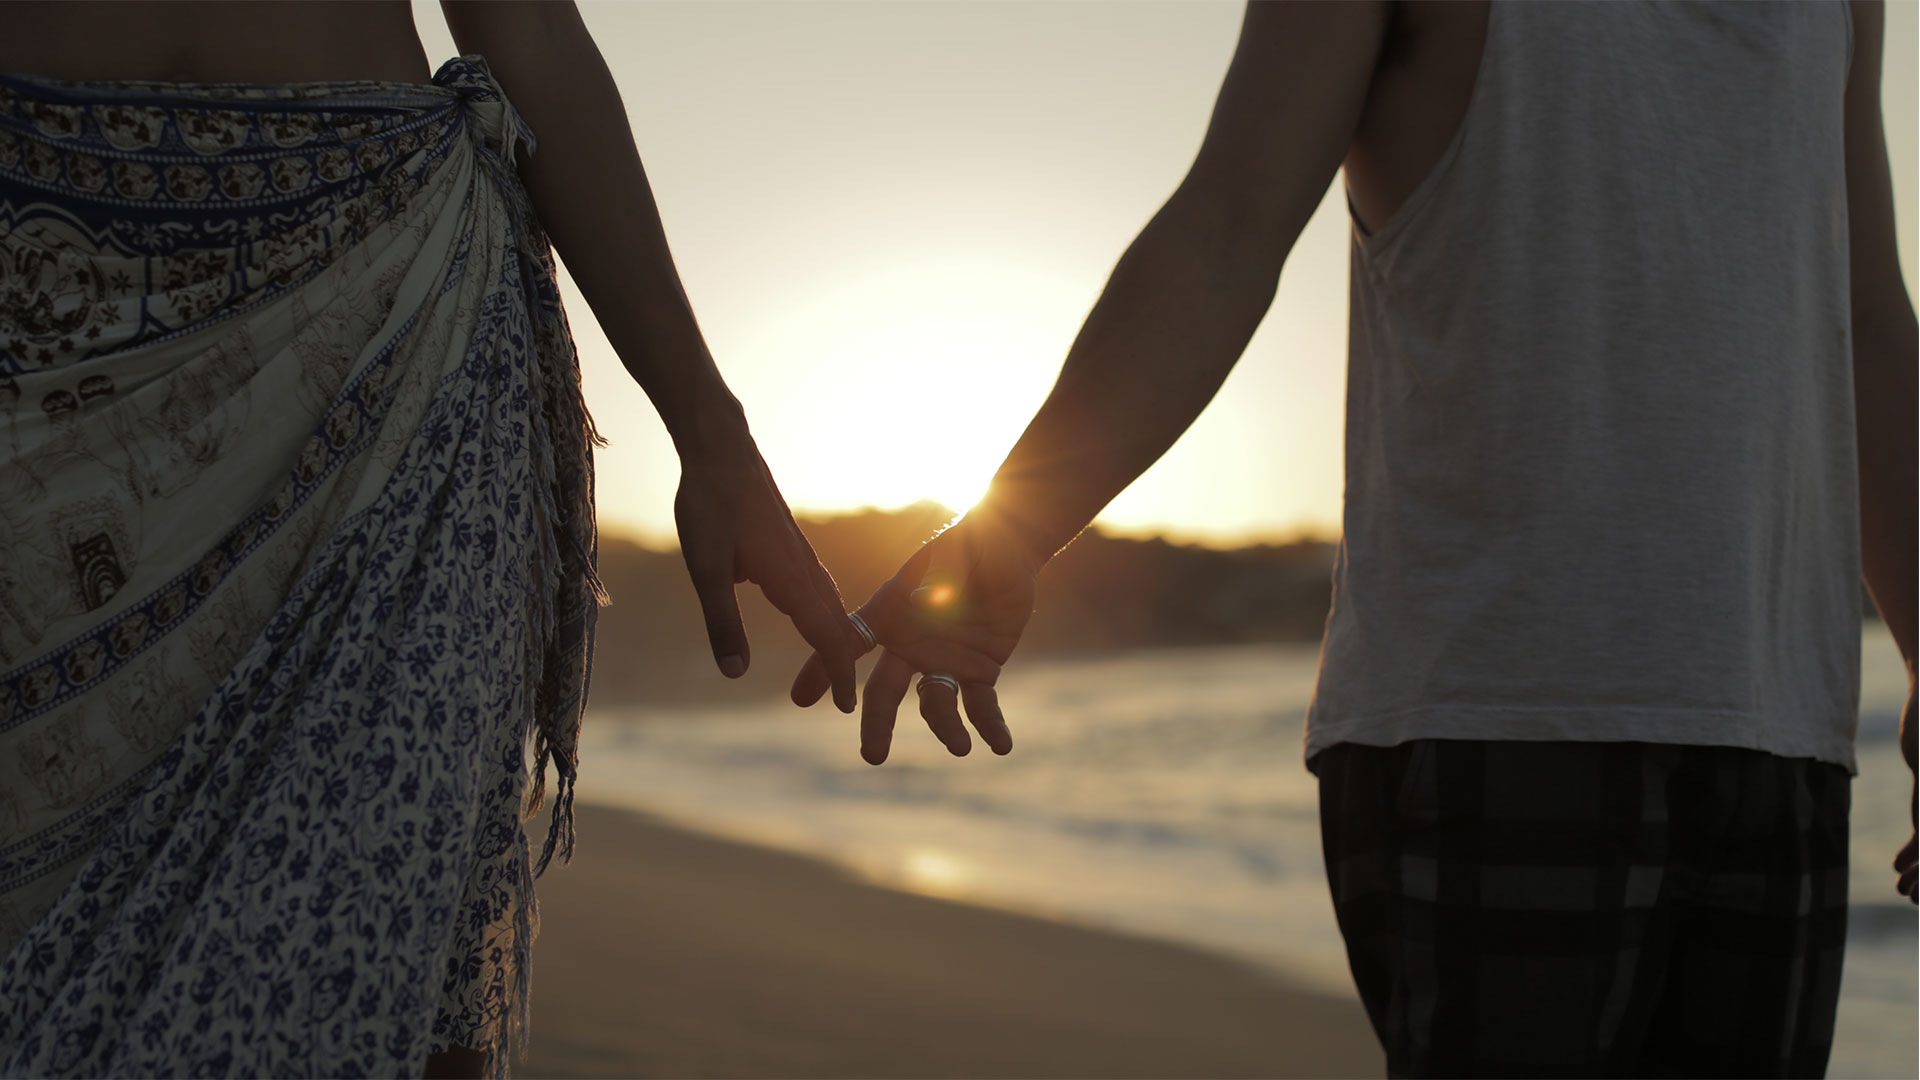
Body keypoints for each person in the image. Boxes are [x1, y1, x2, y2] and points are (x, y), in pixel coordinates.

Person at [800, 2, 1917, 1075]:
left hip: (1782, 725)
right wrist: (1015, 526)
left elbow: (1866, 321)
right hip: (1491, 717)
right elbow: (1227, 231)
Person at [0, 3, 999, 1076]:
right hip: (42, 332)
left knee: (385, 939)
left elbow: (522, 22)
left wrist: (712, 434)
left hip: (384, 322)